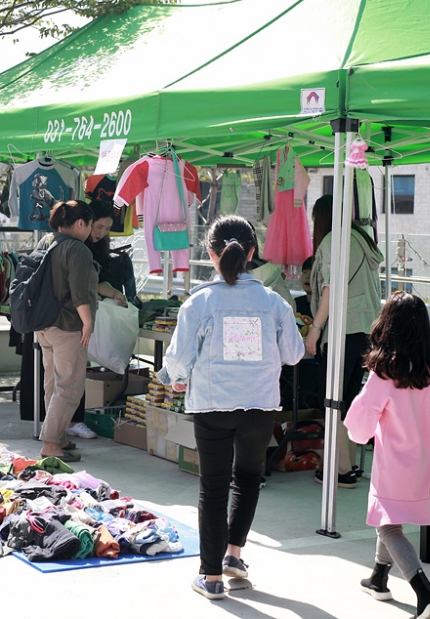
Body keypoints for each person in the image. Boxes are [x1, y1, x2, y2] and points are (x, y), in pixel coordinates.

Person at [156, 215, 304, 601]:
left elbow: (177, 360)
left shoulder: (200, 302)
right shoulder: (273, 302)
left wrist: (173, 377)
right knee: (249, 479)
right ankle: (234, 556)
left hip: (212, 406)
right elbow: (294, 354)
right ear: (252, 253)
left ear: (210, 253)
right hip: (260, 406)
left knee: (214, 486)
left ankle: (210, 576)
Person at [345, 292, 430, 619]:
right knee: (388, 520)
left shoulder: (385, 374)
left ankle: (426, 593)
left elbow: (360, 421)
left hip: (391, 463)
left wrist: (355, 433)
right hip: (422, 464)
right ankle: (378, 579)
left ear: (388, 325)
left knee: (388, 528)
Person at [305, 194, 383, 488]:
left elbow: (329, 289)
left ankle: (342, 469)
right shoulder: (363, 240)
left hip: (343, 329)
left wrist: (316, 328)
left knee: (332, 401)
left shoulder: (333, 242)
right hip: (367, 330)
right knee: (348, 401)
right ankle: (345, 464)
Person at [36, 200, 98, 462]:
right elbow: (79, 292)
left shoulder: (46, 241)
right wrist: (88, 322)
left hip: (43, 324)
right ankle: (51, 444)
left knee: (53, 382)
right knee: (69, 385)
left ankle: (58, 435)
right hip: (68, 325)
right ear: (80, 223)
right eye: (91, 225)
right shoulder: (77, 249)